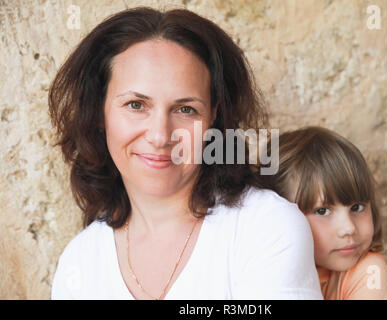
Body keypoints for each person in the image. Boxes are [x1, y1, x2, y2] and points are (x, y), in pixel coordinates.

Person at [48, 7, 322, 300]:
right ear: (99, 113)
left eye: (185, 109)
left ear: (214, 119)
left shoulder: (266, 228)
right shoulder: (78, 263)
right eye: (136, 105)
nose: (160, 136)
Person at [264, 126, 387, 299]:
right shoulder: (264, 270)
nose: (348, 228)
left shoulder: (371, 271)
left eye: (357, 207)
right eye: (323, 211)